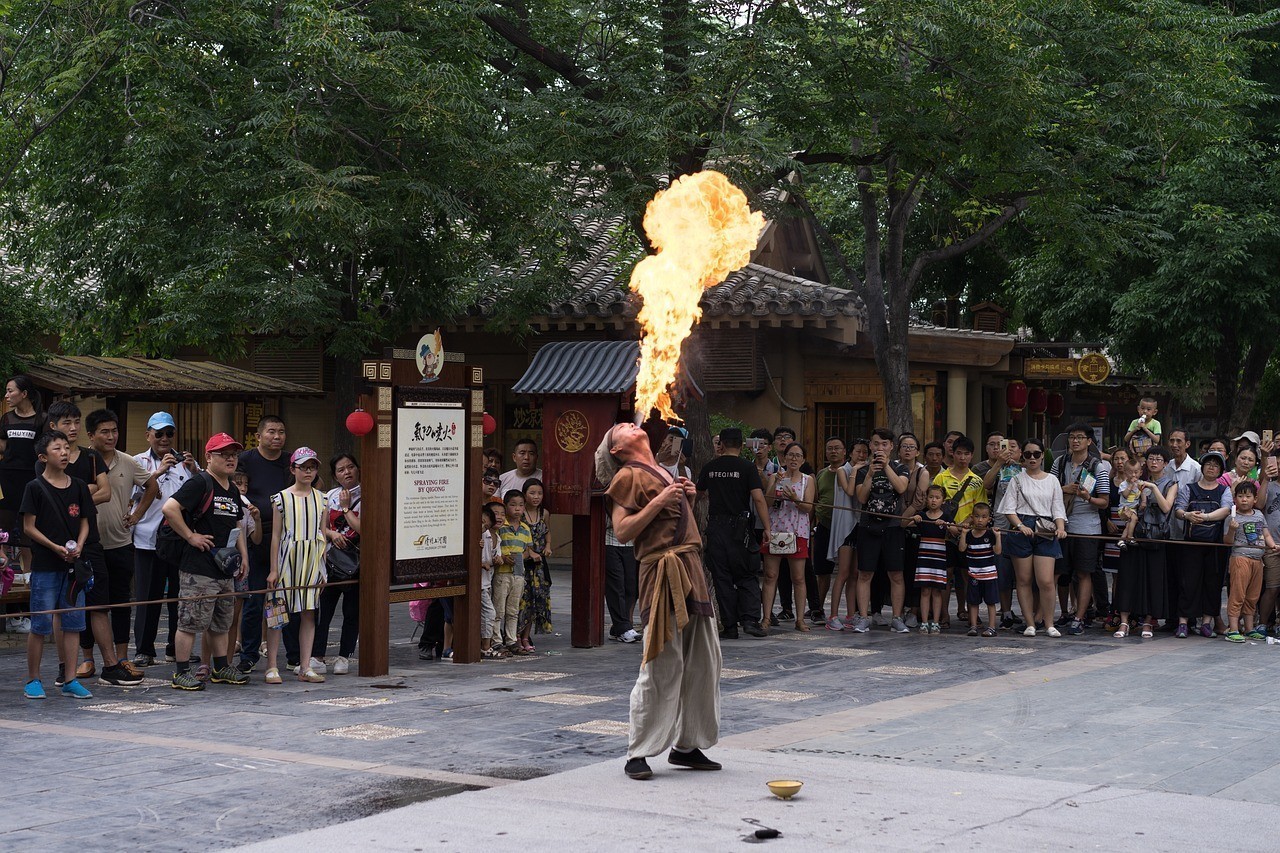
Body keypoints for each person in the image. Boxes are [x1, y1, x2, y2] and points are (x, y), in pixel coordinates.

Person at [595, 422, 721, 782]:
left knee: (704, 661)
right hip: (662, 572)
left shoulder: (665, 471)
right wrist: (661, 501)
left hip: (690, 566)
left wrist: (687, 500)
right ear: (616, 450)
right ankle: (639, 751)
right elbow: (623, 530)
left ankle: (687, 745)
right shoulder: (626, 476)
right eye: (619, 429)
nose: (628, 425)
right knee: (661, 660)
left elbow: (671, 523)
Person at [162, 433, 251, 690]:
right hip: (198, 567)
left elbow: (237, 524)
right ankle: (181, 672)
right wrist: (191, 536)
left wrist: (244, 557)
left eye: (234, 454)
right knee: (190, 622)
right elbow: (170, 508)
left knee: (221, 622)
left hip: (225, 567)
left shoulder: (232, 488)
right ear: (209, 457)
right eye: (224, 454)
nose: (230, 459)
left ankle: (221, 667)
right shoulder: (200, 482)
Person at [19, 431, 99, 698]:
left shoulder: (79, 486)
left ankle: (70, 678)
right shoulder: (34, 487)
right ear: (43, 457)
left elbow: (86, 520)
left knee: (73, 623)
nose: (64, 452)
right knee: (40, 624)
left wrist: (80, 545)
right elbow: (28, 527)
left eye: (66, 447)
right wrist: (55, 547)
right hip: (45, 565)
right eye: (57, 448)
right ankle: (33, 679)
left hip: (74, 567)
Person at [41, 403, 114, 684]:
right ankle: (65, 666)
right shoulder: (44, 459)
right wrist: (84, 492)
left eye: (76, 422)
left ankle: (111, 665)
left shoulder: (91, 456)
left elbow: (105, 492)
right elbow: (48, 497)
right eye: (66, 423)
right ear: (53, 426)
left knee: (99, 604)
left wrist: (76, 496)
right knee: (63, 607)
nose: (72, 428)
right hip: (58, 545)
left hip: (90, 541)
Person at [84, 409, 154, 681]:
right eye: (104, 431)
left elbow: (151, 486)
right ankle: (88, 659)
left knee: (121, 603)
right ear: (91, 435)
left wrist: (137, 515)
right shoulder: (82, 461)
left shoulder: (127, 461)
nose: (111, 436)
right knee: (90, 603)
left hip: (121, 543)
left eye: (114, 430)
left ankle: (122, 658)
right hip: (88, 544)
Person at [132, 411, 199, 668]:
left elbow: (200, 495)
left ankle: (176, 648)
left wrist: (194, 470)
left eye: (169, 433)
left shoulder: (186, 462)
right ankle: (144, 650)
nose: (164, 439)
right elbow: (132, 493)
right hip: (147, 539)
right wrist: (158, 472)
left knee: (179, 597)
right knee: (148, 597)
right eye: (158, 434)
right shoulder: (138, 461)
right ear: (148, 435)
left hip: (179, 540)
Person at [697, 428, 771, 639]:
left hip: (716, 528)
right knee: (747, 575)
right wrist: (767, 527)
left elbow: (698, 494)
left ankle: (729, 626)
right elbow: (758, 498)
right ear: (741, 445)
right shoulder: (747, 467)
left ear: (721, 444)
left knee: (722, 577)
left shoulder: (710, 467)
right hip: (741, 529)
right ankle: (750, 620)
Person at [265, 447, 330, 684]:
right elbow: (275, 535)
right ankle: (272, 666)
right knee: (276, 612)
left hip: (312, 560)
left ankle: (305, 666)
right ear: (293, 469)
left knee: (309, 613)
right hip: (286, 559)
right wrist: (273, 569)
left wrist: (323, 568)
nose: (308, 472)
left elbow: (323, 534)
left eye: (312, 467)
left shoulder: (322, 499)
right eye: (303, 467)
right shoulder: (281, 498)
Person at [236, 415, 291, 673]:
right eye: (271, 431)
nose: (277, 436)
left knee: (283, 598)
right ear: (258, 436)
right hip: (254, 537)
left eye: (281, 431)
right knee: (254, 599)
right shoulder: (245, 460)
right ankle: (248, 654)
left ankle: (292, 655)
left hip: (285, 538)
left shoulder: (290, 461)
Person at [998, 438, 1068, 637]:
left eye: (1036, 454)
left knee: (1046, 581)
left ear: (1042, 455)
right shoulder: (1016, 479)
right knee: (1023, 580)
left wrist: (1060, 528)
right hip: (1022, 528)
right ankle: (1030, 623)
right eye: (1028, 454)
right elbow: (1008, 509)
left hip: (1045, 528)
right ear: (1022, 456)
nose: (1032, 458)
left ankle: (1049, 623)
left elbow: (1058, 507)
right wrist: (1020, 525)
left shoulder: (1052, 480)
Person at [1049, 424, 1111, 635]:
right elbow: (1047, 489)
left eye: (1080, 437)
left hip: (1087, 528)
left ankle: (1079, 617)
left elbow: (1104, 502)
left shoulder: (1097, 467)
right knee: (1058, 572)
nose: (1075, 441)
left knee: (1084, 573)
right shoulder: (1059, 462)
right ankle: (1055, 615)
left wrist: (1088, 498)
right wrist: (1063, 489)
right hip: (1061, 525)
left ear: (1089, 441)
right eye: (1072, 437)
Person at [1113, 445, 1178, 640]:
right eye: (1151, 459)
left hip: (1156, 536)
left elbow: (1166, 507)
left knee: (1153, 579)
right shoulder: (1135, 480)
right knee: (1127, 578)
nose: (1154, 462)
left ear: (1165, 464)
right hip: (1135, 534)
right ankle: (1124, 620)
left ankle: (1149, 620)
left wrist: (1153, 488)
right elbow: (1125, 504)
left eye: (1158, 459)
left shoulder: (1171, 483)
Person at [854, 428, 910, 633]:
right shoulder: (862, 470)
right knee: (865, 573)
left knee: (896, 574)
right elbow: (861, 497)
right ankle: (863, 617)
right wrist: (870, 473)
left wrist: (886, 467)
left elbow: (901, 488)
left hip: (893, 528)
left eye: (884, 444)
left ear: (891, 447)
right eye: (876, 444)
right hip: (868, 526)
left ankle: (897, 617)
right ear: (870, 445)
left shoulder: (900, 468)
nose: (880, 448)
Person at [1173, 451, 1231, 638]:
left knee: (1212, 583)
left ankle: (1206, 624)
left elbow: (1226, 510)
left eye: (1216, 465)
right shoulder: (1189, 488)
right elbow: (1178, 509)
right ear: (1202, 467)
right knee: (1188, 582)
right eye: (1208, 464)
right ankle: (1183, 623)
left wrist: (1204, 517)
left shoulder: (1224, 490)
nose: (1212, 467)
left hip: (1215, 544)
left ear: (1221, 470)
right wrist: (1187, 515)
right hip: (1191, 543)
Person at [1, 375, 43, 633]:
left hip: (31, 482)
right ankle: (10, 613)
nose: (6, 396)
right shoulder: (6, 419)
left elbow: (44, 452)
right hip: (6, 481)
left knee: (28, 542)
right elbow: (2, 448)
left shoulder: (41, 420)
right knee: (3, 539)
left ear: (24, 393)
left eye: (10, 391)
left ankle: (30, 610)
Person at [313, 453, 361, 674]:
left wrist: (345, 508)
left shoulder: (366, 494)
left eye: (351, 467)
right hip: (331, 562)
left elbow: (363, 529)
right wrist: (332, 534)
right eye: (341, 470)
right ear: (335, 475)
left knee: (352, 612)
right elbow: (320, 527)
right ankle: (317, 656)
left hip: (356, 564)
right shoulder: (329, 495)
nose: (347, 472)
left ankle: (344, 656)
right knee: (323, 611)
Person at [933, 435, 988, 627]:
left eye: (966, 454)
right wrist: (950, 525)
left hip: (969, 533)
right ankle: (944, 615)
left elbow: (981, 508)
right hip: (945, 534)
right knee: (946, 574)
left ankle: (967, 611)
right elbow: (935, 503)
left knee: (968, 575)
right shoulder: (941, 477)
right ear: (952, 454)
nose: (962, 457)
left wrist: (964, 524)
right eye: (959, 453)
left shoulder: (976, 481)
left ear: (972, 455)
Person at [761, 442, 815, 633]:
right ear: (784, 458)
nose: (794, 458)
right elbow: (767, 502)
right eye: (790, 455)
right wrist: (775, 483)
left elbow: (808, 507)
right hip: (775, 530)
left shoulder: (808, 480)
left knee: (798, 577)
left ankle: (799, 619)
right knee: (770, 575)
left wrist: (795, 499)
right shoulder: (775, 476)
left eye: (798, 455)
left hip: (798, 531)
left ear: (803, 459)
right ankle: (766, 617)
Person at [1223, 481, 1277, 643]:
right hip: (1240, 558)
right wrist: (1232, 529)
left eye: (1248, 496)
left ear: (1255, 499)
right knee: (1238, 593)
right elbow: (1227, 541)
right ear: (1235, 499)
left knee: (1253, 596)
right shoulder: (1232, 517)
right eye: (1240, 496)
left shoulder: (1259, 515)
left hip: (1258, 560)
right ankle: (1233, 629)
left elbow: (1266, 534)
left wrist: (1273, 545)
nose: (1244, 499)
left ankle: (1249, 628)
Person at [977, 435, 1021, 629]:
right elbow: (986, 484)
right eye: (1005, 446)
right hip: (1001, 527)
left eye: (1013, 446)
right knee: (1002, 573)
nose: (1008, 450)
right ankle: (1006, 612)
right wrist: (999, 463)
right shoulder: (997, 468)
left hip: (1022, 527)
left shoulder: (1025, 468)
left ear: (1020, 451)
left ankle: (1031, 614)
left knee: (1023, 576)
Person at [904, 485, 953, 634]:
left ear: (943, 500)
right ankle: (925, 622)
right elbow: (904, 524)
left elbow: (955, 530)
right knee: (925, 590)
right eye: (931, 497)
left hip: (939, 558)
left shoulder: (946, 516)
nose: (933, 500)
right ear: (926, 499)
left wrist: (946, 525)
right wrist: (914, 518)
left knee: (937, 591)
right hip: (924, 558)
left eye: (937, 498)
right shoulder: (922, 516)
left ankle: (936, 622)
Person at [493, 490, 533, 655]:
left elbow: (527, 550)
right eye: (513, 505)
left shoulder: (525, 528)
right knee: (498, 609)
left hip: (518, 574)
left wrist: (520, 557)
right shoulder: (500, 527)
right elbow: (495, 547)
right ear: (506, 506)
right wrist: (504, 557)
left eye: (521, 505)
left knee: (513, 610)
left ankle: (511, 641)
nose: (517, 509)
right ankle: (496, 641)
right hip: (502, 573)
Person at [810, 437, 844, 625]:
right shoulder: (821, 473)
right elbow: (815, 500)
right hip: (823, 525)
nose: (833, 451)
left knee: (848, 571)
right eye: (830, 448)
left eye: (837, 448)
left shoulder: (850, 471)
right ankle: (818, 607)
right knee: (821, 570)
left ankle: (853, 610)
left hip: (845, 527)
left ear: (844, 452)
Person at [897, 433, 930, 628]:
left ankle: (913, 611)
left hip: (912, 523)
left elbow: (919, 501)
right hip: (894, 523)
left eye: (912, 447)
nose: (908, 450)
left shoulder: (922, 472)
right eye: (904, 446)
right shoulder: (893, 467)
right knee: (896, 570)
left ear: (917, 451)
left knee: (913, 569)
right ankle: (898, 610)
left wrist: (902, 521)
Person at [518, 478, 553, 652]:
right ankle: (516, 637)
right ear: (524, 495)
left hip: (539, 565)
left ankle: (526, 637)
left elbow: (547, 532)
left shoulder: (544, 513)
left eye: (539, 493)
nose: (536, 497)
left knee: (534, 602)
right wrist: (529, 552)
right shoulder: (520, 513)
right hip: (524, 562)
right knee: (521, 602)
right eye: (532, 493)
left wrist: (548, 546)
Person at [959, 503, 1002, 637]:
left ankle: (992, 627)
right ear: (972, 517)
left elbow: (998, 551)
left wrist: (998, 536)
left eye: (983, 517)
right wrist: (963, 534)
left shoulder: (990, 534)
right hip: (974, 574)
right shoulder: (969, 534)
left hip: (989, 575)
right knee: (973, 602)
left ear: (989, 519)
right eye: (977, 516)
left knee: (990, 602)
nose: (980, 520)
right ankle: (973, 626)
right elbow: (962, 548)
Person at [604, 512, 640, 644]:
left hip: (631, 544)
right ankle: (624, 628)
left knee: (632, 587)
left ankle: (617, 628)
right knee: (616, 586)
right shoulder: (608, 501)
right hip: (610, 543)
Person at [478, 504, 502, 658]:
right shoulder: (479, 536)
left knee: (487, 612)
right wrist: (482, 564)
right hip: (478, 582)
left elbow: (492, 559)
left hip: (486, 581)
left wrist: (497, 559)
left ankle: (485, 644)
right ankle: (485, 647)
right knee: (489, 612)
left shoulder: (496, 538)